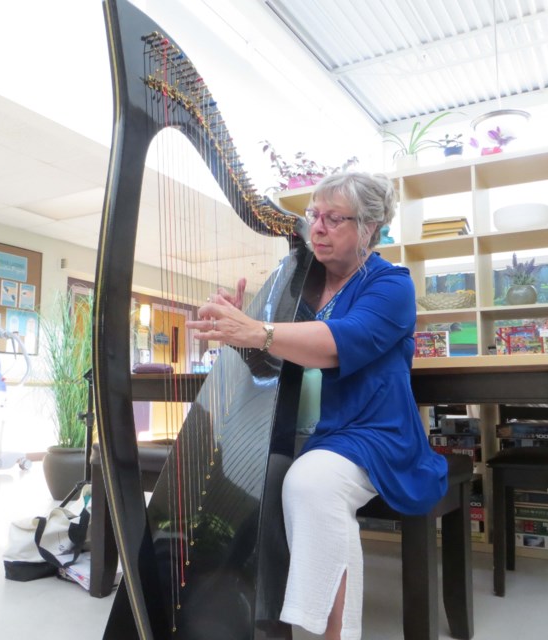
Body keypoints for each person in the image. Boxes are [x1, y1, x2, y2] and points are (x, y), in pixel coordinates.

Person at [190, 171, 448, 640]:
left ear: (369, 227)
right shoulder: (296, 283)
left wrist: (256, 330)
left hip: (371, 434)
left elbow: (337, 343)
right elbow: (272, 361)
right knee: (251, 478)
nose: (318, 228)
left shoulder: (390, 286)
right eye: (313, 215)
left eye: (334, 219)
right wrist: (241, 329)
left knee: (310, 484)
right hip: (304, 433)